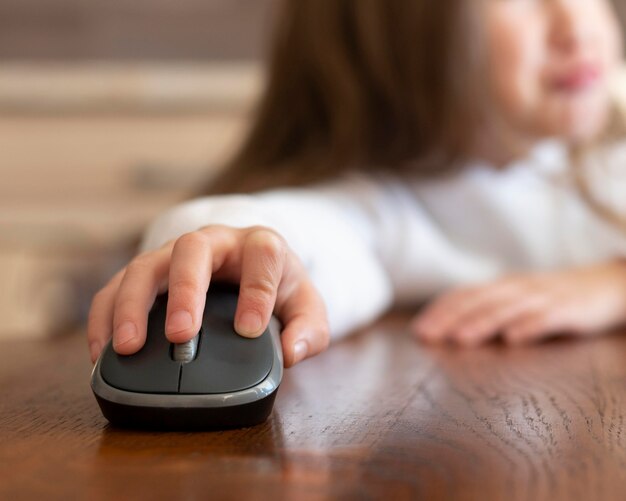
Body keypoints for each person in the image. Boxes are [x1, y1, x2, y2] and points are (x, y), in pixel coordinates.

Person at [87, 0, 626, 368]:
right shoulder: (389, 207)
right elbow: (300, 234)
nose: (574, 26)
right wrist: (224, 240)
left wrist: (613, 285)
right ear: (395, 36)